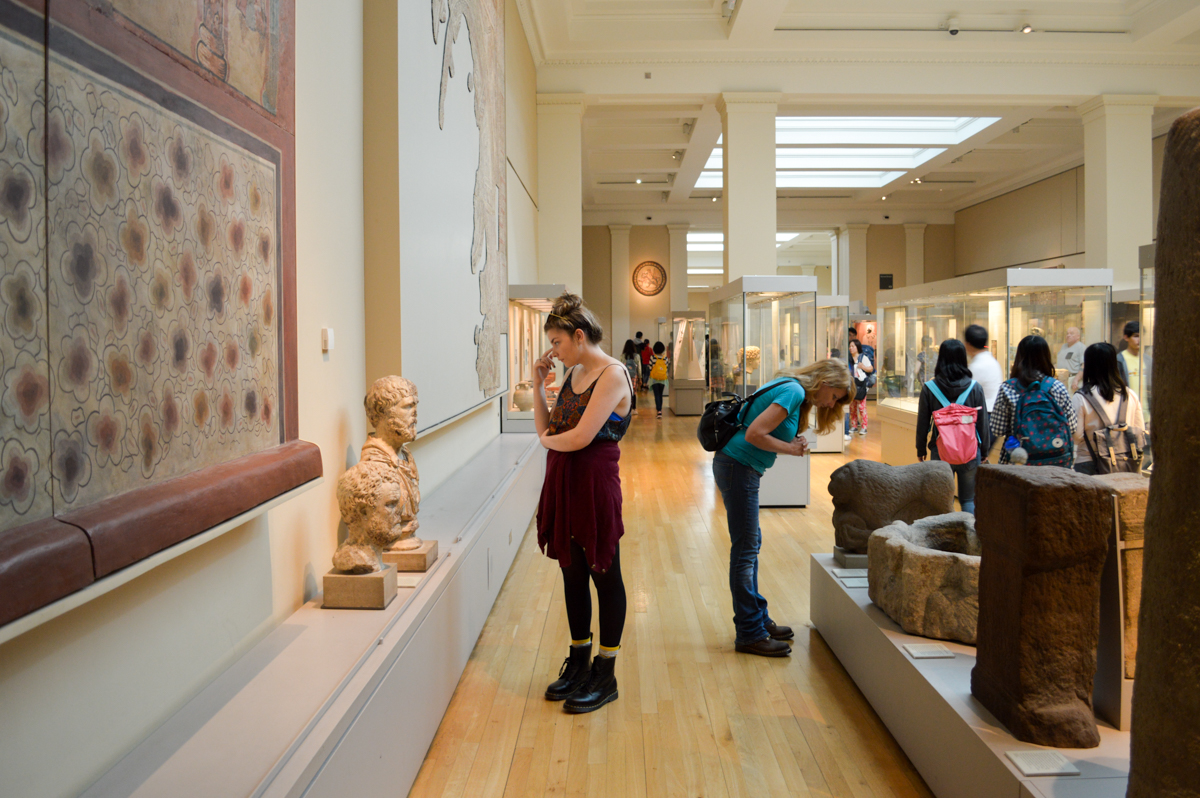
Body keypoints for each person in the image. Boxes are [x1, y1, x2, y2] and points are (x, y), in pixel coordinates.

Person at [534, 292, 634, 714]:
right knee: (572, 574)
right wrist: (537, 385)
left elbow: (577, 438)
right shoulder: (574, 375)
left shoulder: (612, 374)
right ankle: (578, 662)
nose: (553, 351)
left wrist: (544, 442)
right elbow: (550, 426)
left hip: (593, 481)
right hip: (564, 479)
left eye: (557, 342)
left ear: (578, 336)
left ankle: (605, 671)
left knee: (603, 573)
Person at [712, 359, 852, 657]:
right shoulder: (795, 392)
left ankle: (757, 619)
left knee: (750, 545)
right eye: (835, 395)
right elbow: (754, 435)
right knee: (746, 550)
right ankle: (750, 632)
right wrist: (791, 448)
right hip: (739, 466)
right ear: (825, 381)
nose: (832, 402)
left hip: (741, 467)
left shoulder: (793, 389)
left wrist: (791, 441)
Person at [915, 339, 991, 513]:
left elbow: (923, 423)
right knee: (968, 501)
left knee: (941, 502)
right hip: (970, 452)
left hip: (940, 452)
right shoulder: (975, 388)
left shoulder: (930, 388)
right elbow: (982, 423)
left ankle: (943, 538)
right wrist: (984, 450)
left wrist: (920, 449)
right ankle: (969, 537)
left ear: (941, 359)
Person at [989, 335, 1078, 467]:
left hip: (1018, 461)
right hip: (1054, 462)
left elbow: (997, 430)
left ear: (1019, 357)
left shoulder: (1008, 388)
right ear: (1046, 357)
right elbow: (1072, 426)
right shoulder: (1057, 387)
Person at [1072, 342, 1146, 475]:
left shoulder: (1081, 397)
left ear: (1089, 366)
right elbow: (1139, 429)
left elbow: (1077, 436)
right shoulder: (1130, 395)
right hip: (1126, 463)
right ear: (1114, 364)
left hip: (1089, 463)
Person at [963, 324, 1002, 412]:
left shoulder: (976, 367)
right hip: (993, 411)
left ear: (967, 344)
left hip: (984, 413)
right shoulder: (992, 361)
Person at [848, 339, 873, 436]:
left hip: (861, 385)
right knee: (852, 407)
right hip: (852, 385)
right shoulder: (849, 358)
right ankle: (854, 425)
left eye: (853, 346)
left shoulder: (863, 358)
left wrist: (862, 366)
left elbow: (870, 369)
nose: (851, 348)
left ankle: (864, 427)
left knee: (862, 407)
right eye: (850, 346)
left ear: (857, 347)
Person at [647, 341, 669, 419]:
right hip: (663, 379)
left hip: (654, 379)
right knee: (660, 394)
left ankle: (658, 411)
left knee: (656, 395)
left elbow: (650, 367)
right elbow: (666, 368)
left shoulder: (652, 357)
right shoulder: (665, 358)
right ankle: (660, 411)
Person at [621, 339, 640, 417]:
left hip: (625, 376)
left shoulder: (622, 356)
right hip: (634, 375)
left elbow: (621, 366)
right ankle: (634, 409)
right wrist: (640, 377)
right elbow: (639, 368)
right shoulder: (636, 356)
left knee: (626, 392)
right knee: (633, 392)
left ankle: (626, 409)